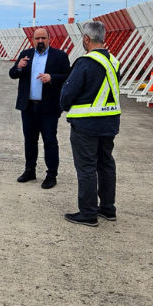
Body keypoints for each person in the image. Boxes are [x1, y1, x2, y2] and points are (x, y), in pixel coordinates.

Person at [60, 21, 121, 228]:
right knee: (106, 164)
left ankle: (88, 213)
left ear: (86, 38)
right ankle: (108, 208)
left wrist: (62, 105)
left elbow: (69, 92)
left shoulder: (85, 62)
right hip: (110, 122)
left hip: (86, 124)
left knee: (86, 167)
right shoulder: (114, 62)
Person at [8, 28, 70, 188]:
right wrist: (18, 67)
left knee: (49, 141)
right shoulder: (26, 54)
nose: (40, 41)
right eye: (37, 38)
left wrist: (52, 77)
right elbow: (13, 74)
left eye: (43, 38)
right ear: (33, 40)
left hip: (49, 107)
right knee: (30, 141)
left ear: (49, 39)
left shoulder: (60, 56)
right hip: (28, 106)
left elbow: (68, 76)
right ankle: (30, 170)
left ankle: (51, 175)